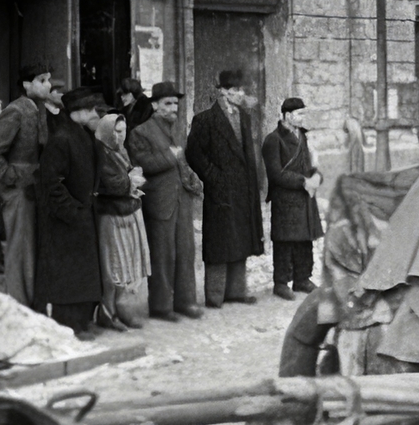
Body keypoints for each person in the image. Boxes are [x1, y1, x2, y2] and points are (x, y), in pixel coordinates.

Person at [186, 68, 264, 307]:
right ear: (222, 92)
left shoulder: (244, 117)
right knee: (220, 243)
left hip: (242, 188)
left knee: (240, 239)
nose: (240, 94)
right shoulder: (205, 119)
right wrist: (213, 177)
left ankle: (236, 292)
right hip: (221, 190)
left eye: (241, 89)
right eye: (234, 90)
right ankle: (215, 295)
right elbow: (193, 153)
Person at [127, 81, 203, 320]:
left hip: (181, 201)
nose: (174, 108)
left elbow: (183, 162)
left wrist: (193, 180)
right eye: (168, 104)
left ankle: (185, 302)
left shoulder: (177, 129)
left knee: (185, 252)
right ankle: (161, 306)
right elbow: (142, 164)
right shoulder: (140, 132)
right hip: (159, 204)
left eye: (176, 104)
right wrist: (169, 157)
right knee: (162, 255)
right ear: (155, 105)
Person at [0, 65, 53, 305]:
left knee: (31, 249)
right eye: (42, 80)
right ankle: (18, 304)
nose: (48, 85)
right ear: (26, 84)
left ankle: (33, 304)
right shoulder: (15, 111)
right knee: (19, 249)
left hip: (36, 189)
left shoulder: (40, 109)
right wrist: (14, 177)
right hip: (19, 192)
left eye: (48, 80)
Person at [35, 87, 104, 334]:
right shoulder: (62, 139)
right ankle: (70, 325)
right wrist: (73, 213)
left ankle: (82, 322)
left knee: (80, 277)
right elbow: (51, 183)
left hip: (81, 216)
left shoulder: (81, 135)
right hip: (67, 221)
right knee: (68, 279)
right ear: (81, 111)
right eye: (93, 109)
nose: (96, 114)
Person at [262, 97, 323, 301]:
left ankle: (302, 279)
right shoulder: (273, 140)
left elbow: (310, 165)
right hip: (286, 198)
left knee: (305, 241)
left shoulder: (303, 137)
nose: (303, 118)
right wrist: (303, 182)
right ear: (287, 116)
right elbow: (276, 174)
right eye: (299, 114)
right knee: (285, 242)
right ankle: (281, 283)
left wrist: (316, 176)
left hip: (304, 197)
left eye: (303, 113)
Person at [94, 113, 150, 331]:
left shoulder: (122, 151)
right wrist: (130, 180)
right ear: (107, 132)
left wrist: (133, 178)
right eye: (116, 131)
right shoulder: (102, 153)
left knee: (130, 266)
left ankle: (126, 311)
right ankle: (109, 312)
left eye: (124, 130)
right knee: (114, 266)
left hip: (129, 213)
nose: (121, 135)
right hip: (112, 216)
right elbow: (107, 184)